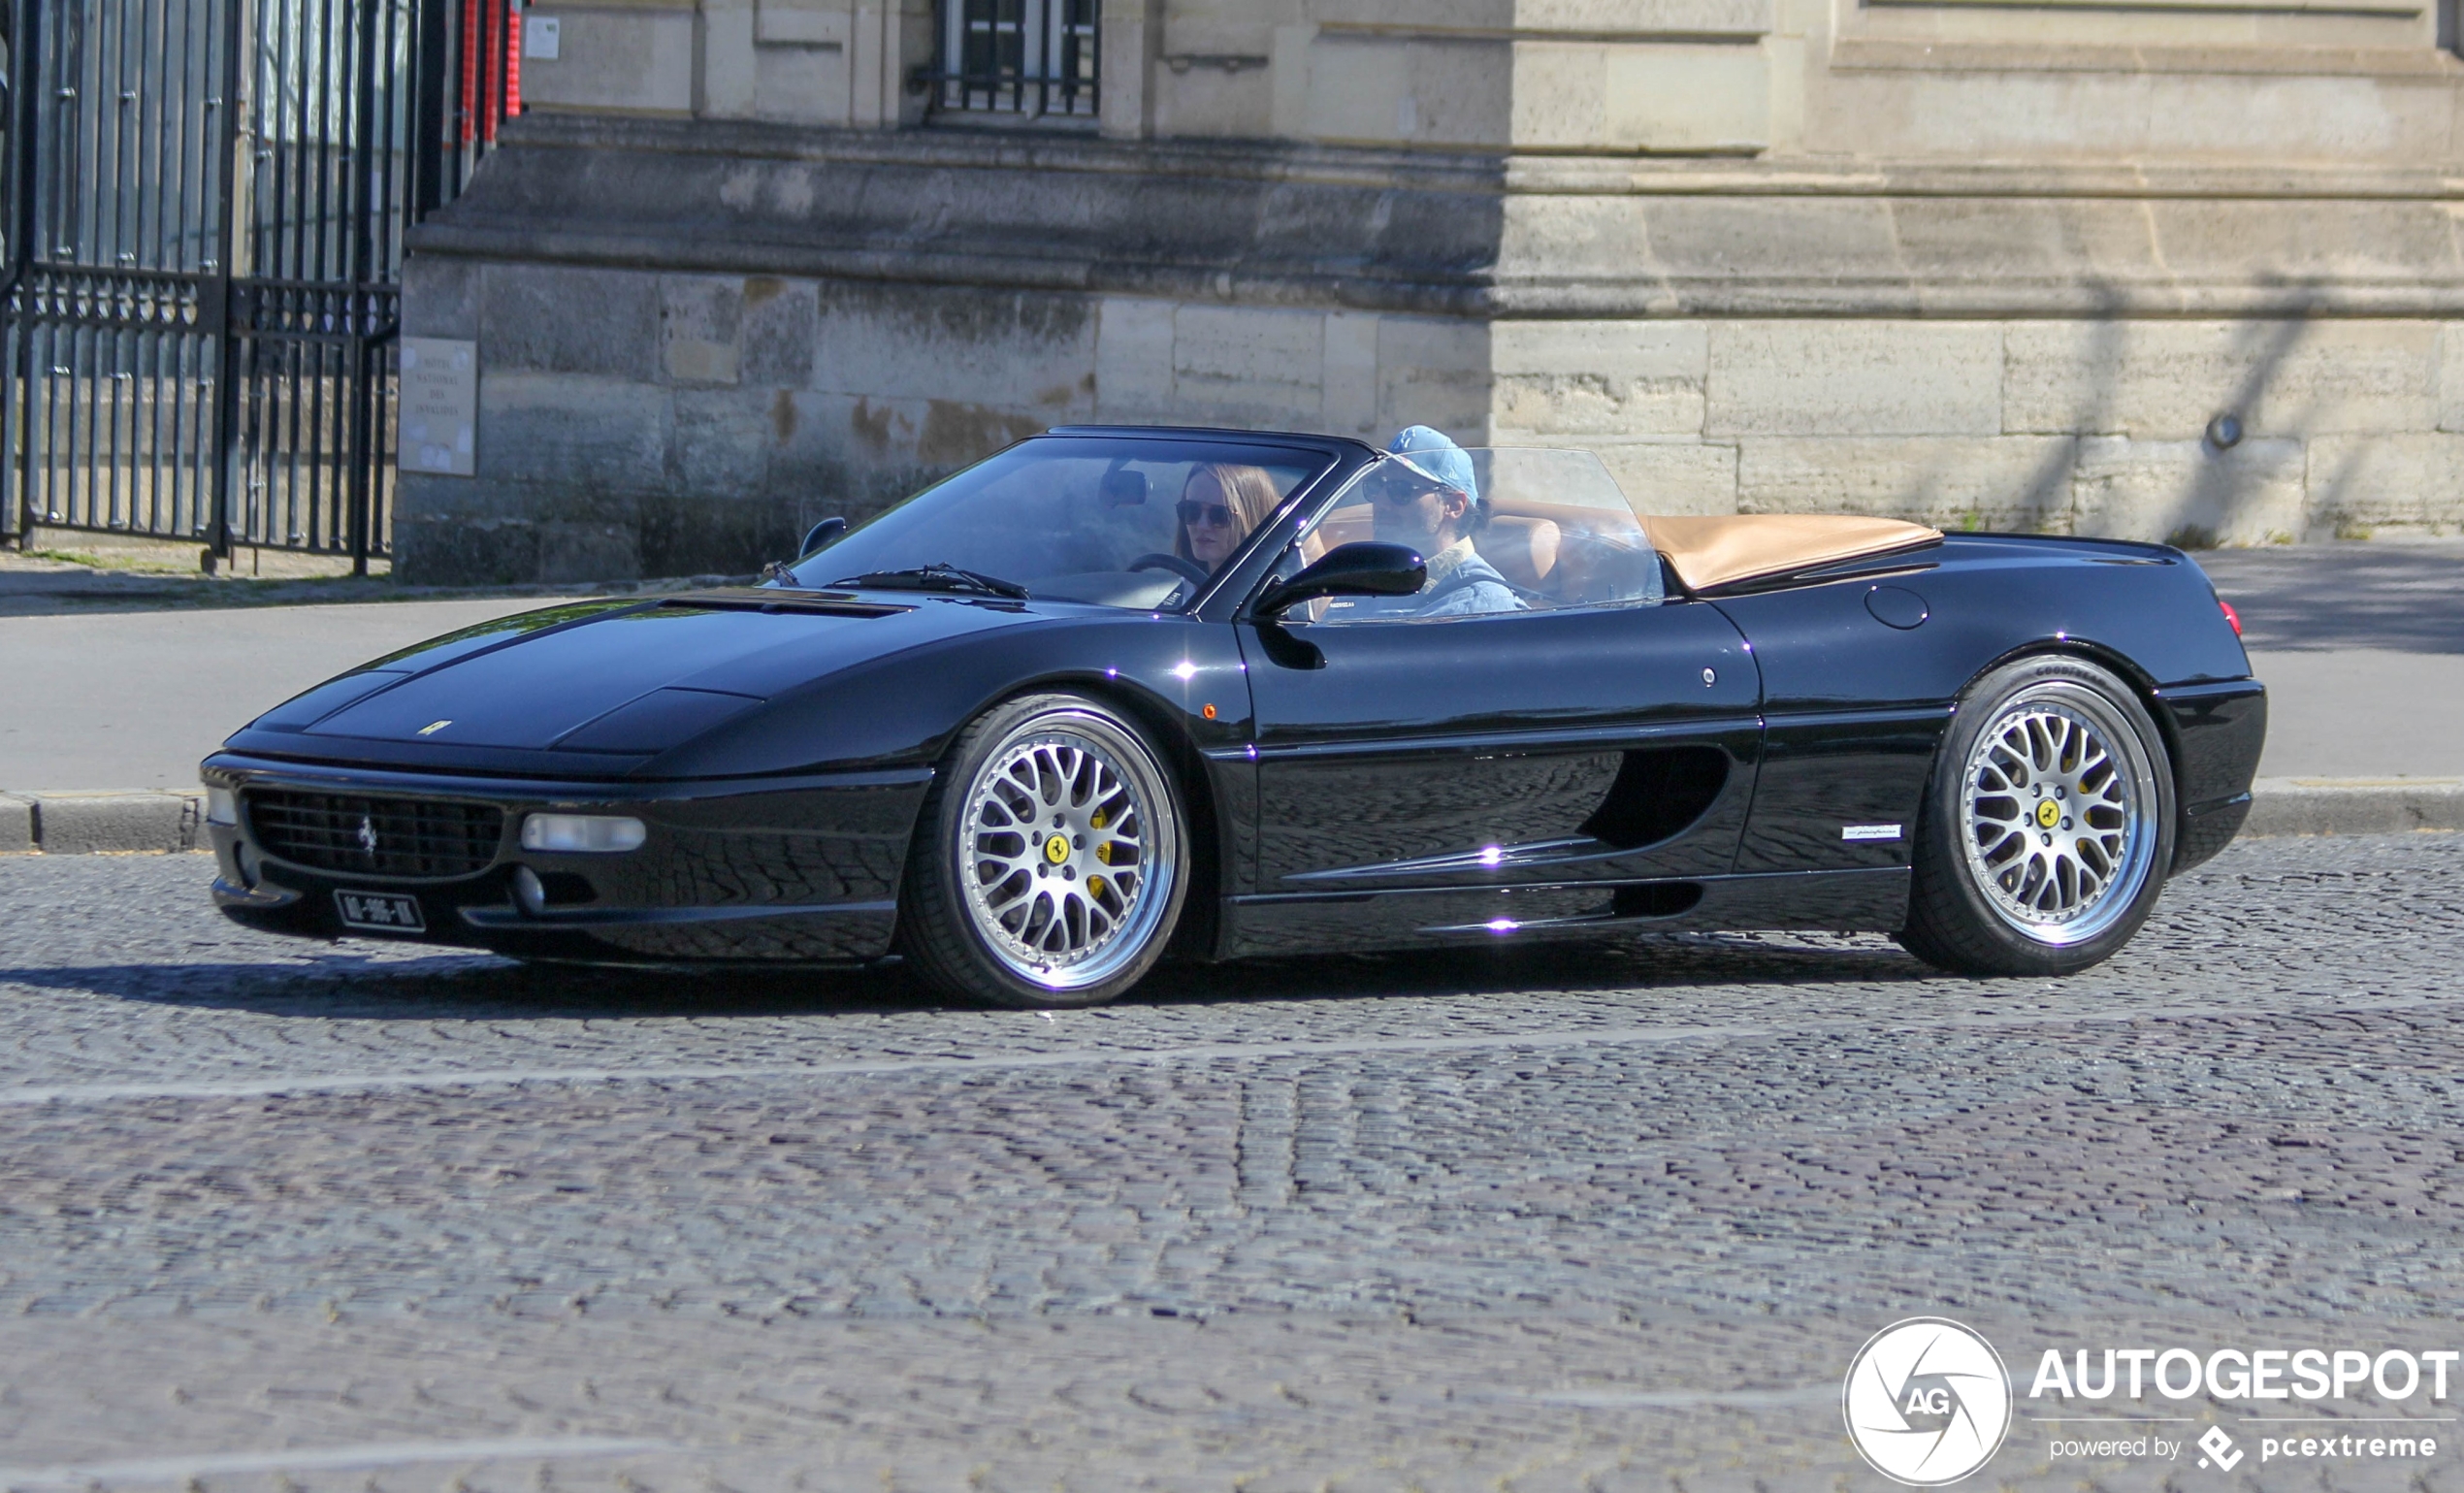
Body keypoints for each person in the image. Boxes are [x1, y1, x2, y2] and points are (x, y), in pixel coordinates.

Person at [1335, 426, 1521, 619]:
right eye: (1377, 485)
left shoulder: (1476, 605)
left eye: (1401, 490)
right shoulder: (1376, 577)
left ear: (1454, 506)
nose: (1380, 502)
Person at [1176, 463, 1281, 572]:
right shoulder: (1181, 587)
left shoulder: (1279, 588)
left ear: (1252, 519)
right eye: (1192, 511)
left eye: (1220, 515)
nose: (1202, 525)